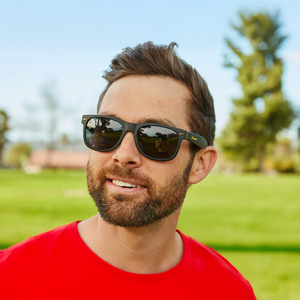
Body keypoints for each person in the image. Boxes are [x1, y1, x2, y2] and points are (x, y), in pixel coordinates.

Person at [0, 42, 256, 299]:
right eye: (107, 128)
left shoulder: (228, 290)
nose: (123, 156)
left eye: (157, 137)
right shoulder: (9, 277)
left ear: (200, 164)